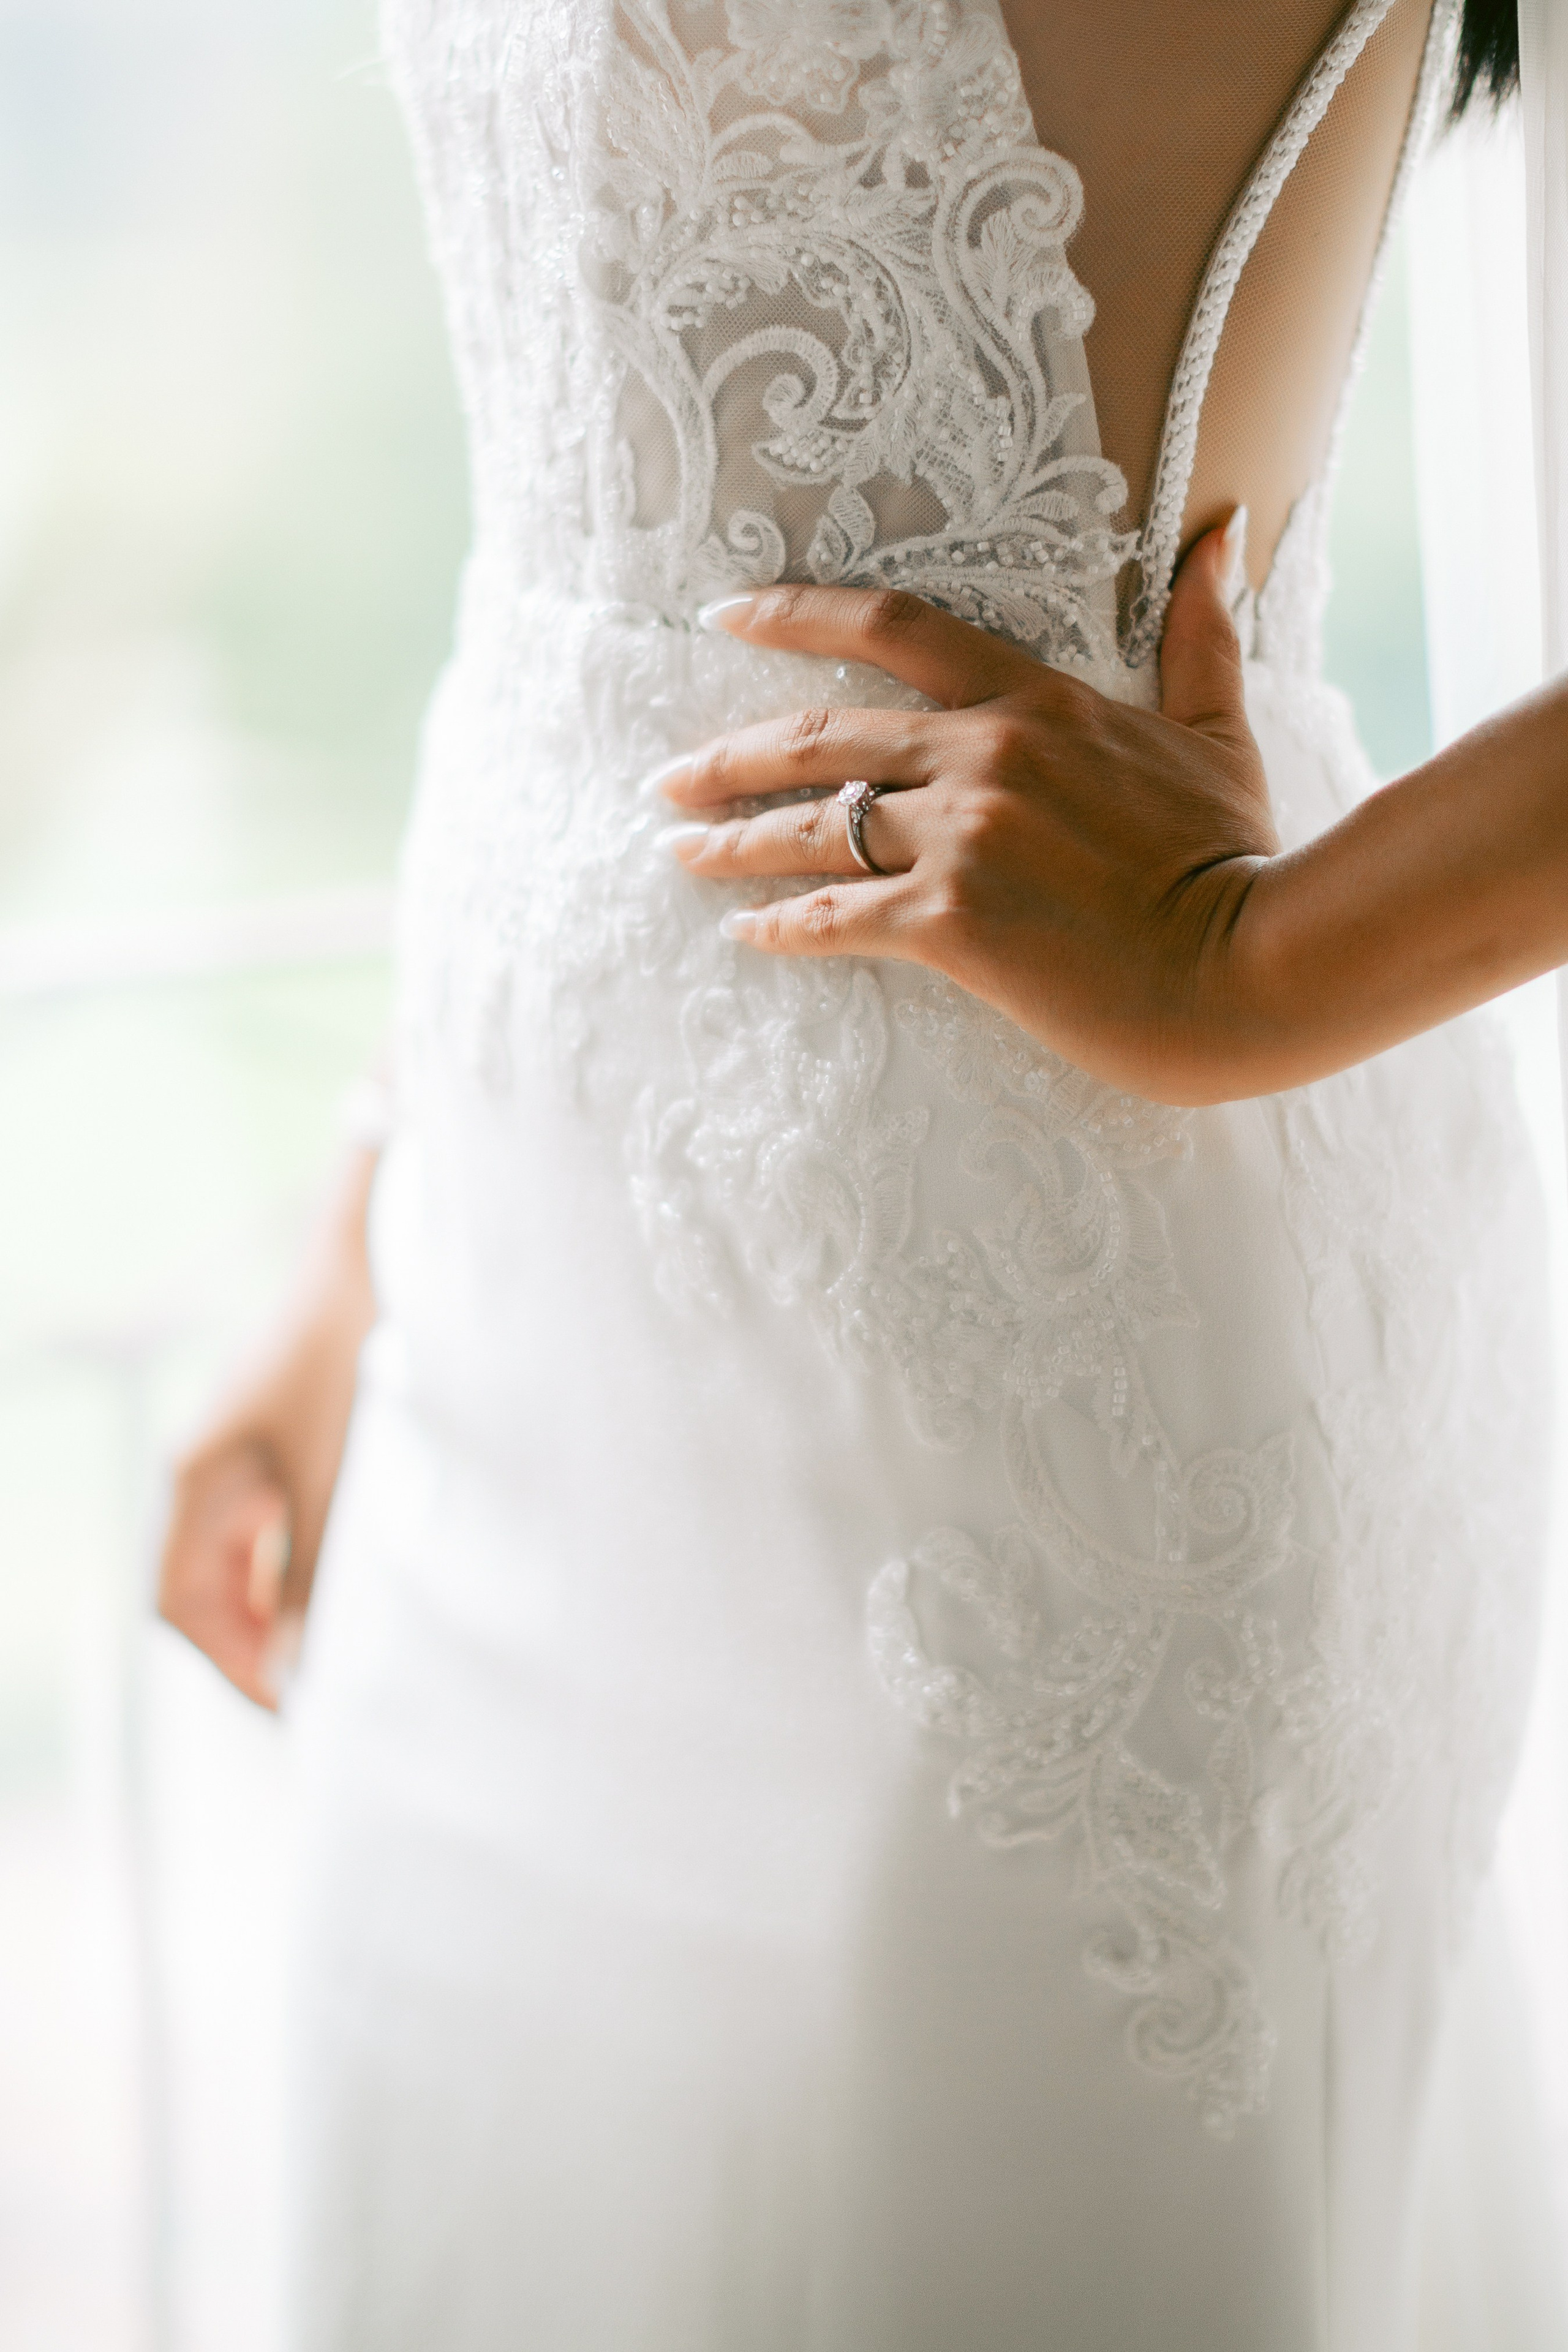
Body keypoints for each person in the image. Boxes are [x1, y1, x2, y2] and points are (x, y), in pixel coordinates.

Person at [159, 2, 1568, 2344]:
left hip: (1022, 1410)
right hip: (506, 1343)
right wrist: (372, 1221)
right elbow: (616, 494)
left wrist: (1283, 962)